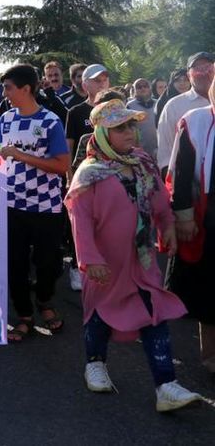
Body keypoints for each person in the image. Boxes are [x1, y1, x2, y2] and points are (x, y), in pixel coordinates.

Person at [66, 100, 201, 411]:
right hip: (106, 264)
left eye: (131, 125)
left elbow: (159, 198)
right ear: (102, 134)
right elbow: (79, 220)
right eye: (120, 128)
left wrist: (167, 226)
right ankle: (95, 363)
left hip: (141, 259)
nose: (129, 132)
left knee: (153, 313)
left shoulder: (142, 162)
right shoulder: (89, 173)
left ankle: (166, 386)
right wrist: (90, 259)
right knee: (99, 315)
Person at [0, 64, 70, 341]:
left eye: (8, 88)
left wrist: (22, 156)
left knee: (48, 262)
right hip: (11, 204)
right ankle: (24, 316)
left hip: (46, 205)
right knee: (15, 263)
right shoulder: (5, 119)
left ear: (26, 89)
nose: (4, 93)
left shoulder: (50, 121)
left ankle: (45, 301)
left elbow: (61, 165)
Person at [166, 76, 215, 377]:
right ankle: (211, 356)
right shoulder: (195, 120)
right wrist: (183, 216)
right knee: (210, 290)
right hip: (208, 217)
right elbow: (180, 173)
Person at [157, 52, 213, 173]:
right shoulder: (174, 106)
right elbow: (165, 152)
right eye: (198, 69)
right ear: (189, 75)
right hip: (189, 181)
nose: (204, 73)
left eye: (208, 67)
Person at [65, 63, 111, 163]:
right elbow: (69, 148)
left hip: (114, 169)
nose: (102, 84)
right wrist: (69, 172)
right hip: (86, 169)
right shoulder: (75, 112)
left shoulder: (116, 108)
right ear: (85, 85)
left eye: (105, 80)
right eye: (97, 80)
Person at [126, 78, 159, 159]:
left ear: (150, 88)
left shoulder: (158, 103)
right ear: (134, 90)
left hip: (157, 148)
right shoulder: (130, 106)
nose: (143, 88)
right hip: (138, 151)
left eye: (145, 86)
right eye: (139, 87)